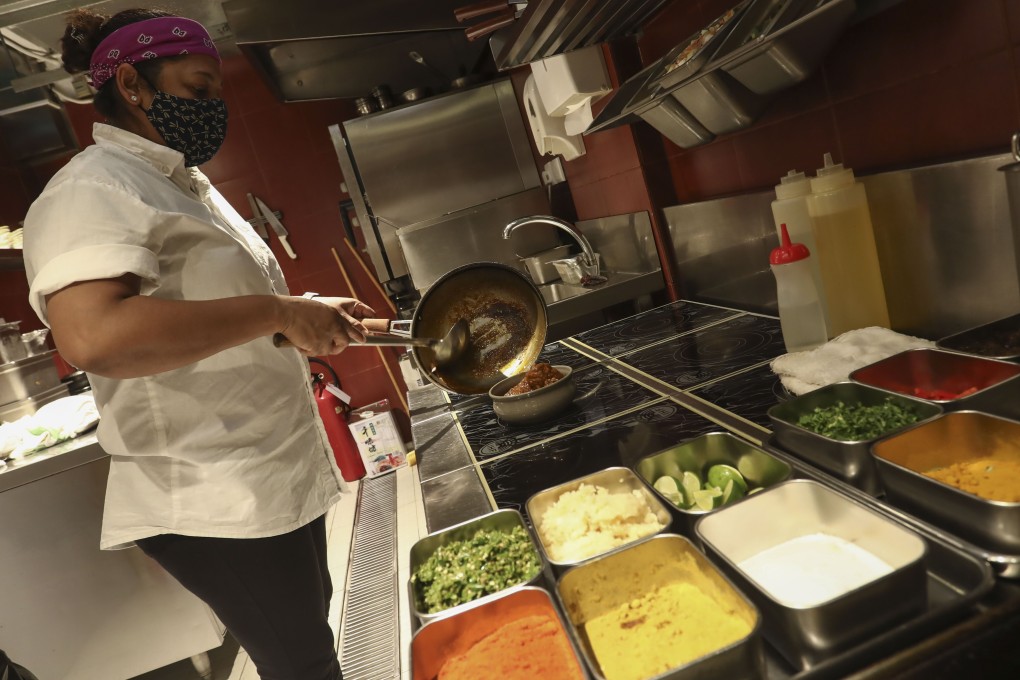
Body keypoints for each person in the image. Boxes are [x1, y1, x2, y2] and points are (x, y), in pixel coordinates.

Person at [23, 8, 370, 680]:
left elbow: (206, 315)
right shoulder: (92, 189)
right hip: (211, 493)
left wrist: (299, 314)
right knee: (305, 668)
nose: (215, 107)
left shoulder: (181, 186)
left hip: (264, 475)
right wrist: (277, 310)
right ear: (132, 83)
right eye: (198, 87)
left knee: (309, 650)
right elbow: (94, 335)